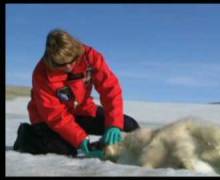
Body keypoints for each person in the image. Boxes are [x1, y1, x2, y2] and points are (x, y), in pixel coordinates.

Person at [13, 29, 140, 159]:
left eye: (72, 60)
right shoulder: (41, 74)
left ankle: (103, 146)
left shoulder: (91, 57)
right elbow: (55, 116)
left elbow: (110, 89)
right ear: (51, 59)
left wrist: (113, 124)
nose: (68, 66)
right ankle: (27, 136)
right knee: (65, 151)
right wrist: (80, 140)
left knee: (129, 126)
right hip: (47, 120)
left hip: (83, 110)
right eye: (61, 64)